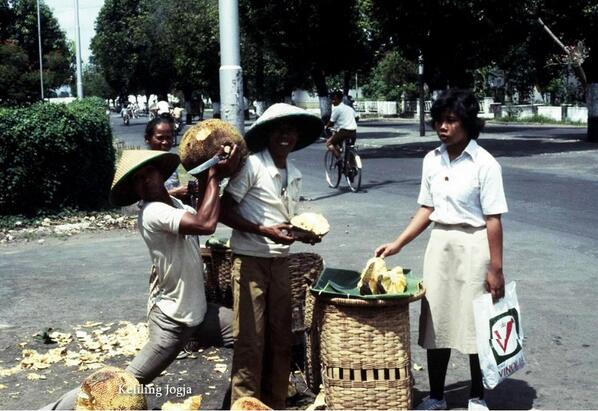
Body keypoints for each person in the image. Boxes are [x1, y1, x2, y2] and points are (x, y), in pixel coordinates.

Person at [44, 147, 240, 410]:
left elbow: (201, 209)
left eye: (149, 173)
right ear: (134, 187)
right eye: (138, 179)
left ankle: (240, 401)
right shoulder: (151, 213)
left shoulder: (176, 205)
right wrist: (215, 176)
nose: (145, 181)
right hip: (172, 322)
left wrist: (209, 170)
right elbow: (205, 224)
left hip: (199, 315)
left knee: (248, 334)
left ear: (161, 175)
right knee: (123, 383)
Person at [374, 89, 508, 411]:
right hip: (440, 245)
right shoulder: (431, 160)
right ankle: (437, 396)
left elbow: (493, 220)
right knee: (437, 323)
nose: (442, 127)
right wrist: (398, 243)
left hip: (475, 247)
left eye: (450, 121)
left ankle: (477, 395)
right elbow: (426, 209)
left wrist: (496, 269)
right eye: (439, 121)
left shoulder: (485, 163)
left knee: (476, 325)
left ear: (467, 123)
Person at [219, 103, 323, 409]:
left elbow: (284, 222)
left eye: (290, 130)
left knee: (281, 340)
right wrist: (263, 230)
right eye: (279, 129)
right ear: (267, 134)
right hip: (250, 261)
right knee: (251, 340)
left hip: (280, 262)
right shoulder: (252, 167)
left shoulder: (296, 174)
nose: (285, 136)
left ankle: (275, 402)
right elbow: (225, 210)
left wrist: (305, 234)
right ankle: (244, 404)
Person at [144, 116, 190, 200]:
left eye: (168, 137)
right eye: (160, 138)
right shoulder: (144, 165)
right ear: (147, 139)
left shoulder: (169, 161)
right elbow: (143, 198)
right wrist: (176, 192)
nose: (165, 142)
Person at [326, 90, 357, 158]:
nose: (332, 102)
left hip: (344, 132)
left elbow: (331, 122)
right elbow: (355, 117)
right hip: (353, 132)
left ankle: (339, 158)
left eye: (333, 100)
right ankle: (350, 165)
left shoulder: (337, 109)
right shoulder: (349, 108)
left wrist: (326, 127)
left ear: (336, 99)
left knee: (329, 143)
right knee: (349, 148)